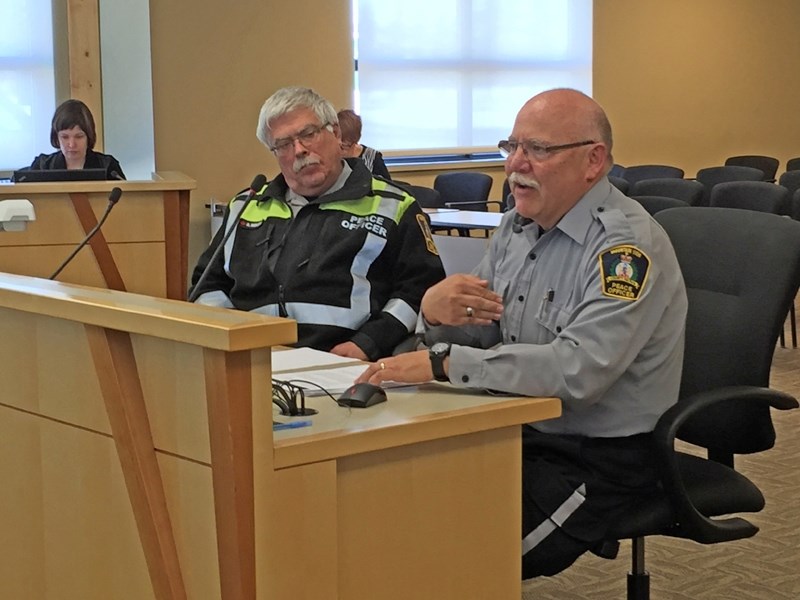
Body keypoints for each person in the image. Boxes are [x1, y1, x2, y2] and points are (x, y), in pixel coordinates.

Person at [355, 88, 688, 578]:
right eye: (510, 147)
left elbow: (578, 372)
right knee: (402, 514)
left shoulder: (625, 250)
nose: (514, 165)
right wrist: (433, 314)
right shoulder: (517, 226)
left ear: (593, 161)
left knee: (455, 567)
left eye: (538, 150)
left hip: (601, 459)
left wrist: (443, 363)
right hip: (519, 427)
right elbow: (487, 333)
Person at [190, 87, 445, 361]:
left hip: (345, 361)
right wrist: (231, 335)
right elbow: (206, 285)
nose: (299, 150)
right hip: (252, 361)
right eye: (284, 144)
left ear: (335, 134)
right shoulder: (246, 207)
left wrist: (370, 342)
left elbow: (421, 290)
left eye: (308, 134)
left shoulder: (393, 206)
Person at [25, 99, 125, 179]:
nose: (72, 144)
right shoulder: (42, 166)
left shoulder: (108, 166)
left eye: (79, 137)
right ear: (56, 137)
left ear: (89, 136)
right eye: (65, 137)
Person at [337, 108, 392, 180]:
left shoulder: (373, 157)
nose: (341, 151)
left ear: (356, 141)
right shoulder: (331, 156)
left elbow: (386, 185)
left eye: (344, 146)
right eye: (338, 145)